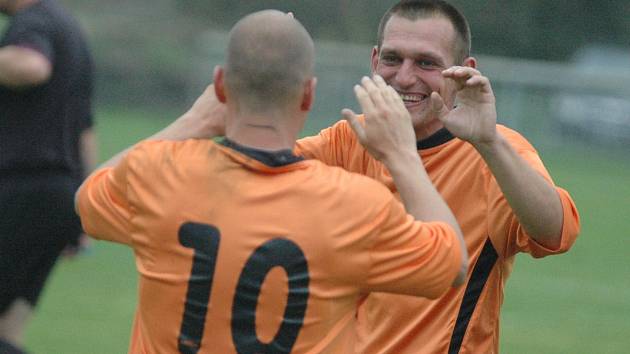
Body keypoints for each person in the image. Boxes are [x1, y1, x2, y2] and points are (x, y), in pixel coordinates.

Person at [75, 10, 468, 354]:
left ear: (220, 85)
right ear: (308, 95)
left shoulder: (156, 172)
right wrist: (402, 156)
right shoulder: (355, 204)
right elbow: (452, 264)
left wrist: (195, 122)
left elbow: (89, 198)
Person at [291, 1, 581, 353]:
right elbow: (248, 167)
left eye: (426, 63)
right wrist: (271, 70)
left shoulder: (493, 152)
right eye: (392, 58)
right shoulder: (347, 139)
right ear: (374, 61)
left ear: (464, 70)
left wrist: (489, 143)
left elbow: (555, 233)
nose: (404, 77)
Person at [0, 0, 94, 352]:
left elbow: (32, 66)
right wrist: (84, 209)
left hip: (22, 189)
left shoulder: (32, 21)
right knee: (8, 327)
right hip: (59, 194)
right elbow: (85, 128)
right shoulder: (70, 29)